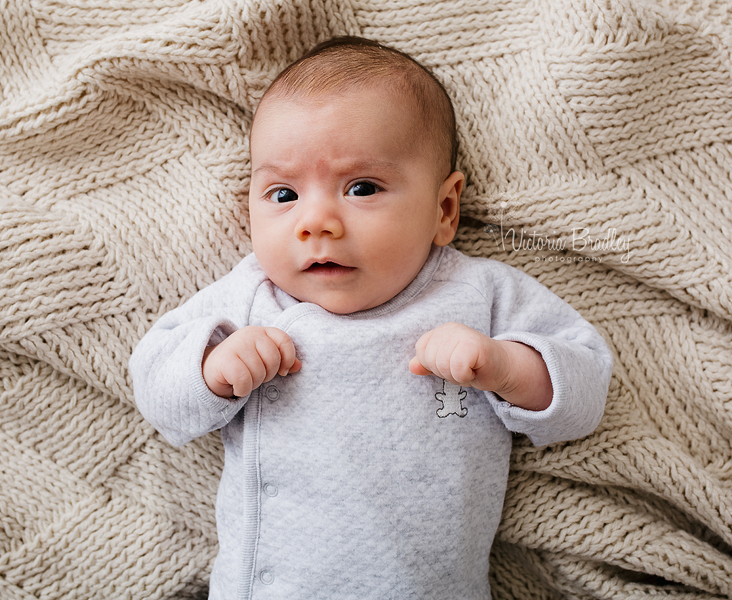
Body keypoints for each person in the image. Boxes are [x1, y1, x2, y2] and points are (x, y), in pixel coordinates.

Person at [130, 36, 612, 600]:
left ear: (444, 209)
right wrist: (212, 370)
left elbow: (585, 392)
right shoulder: (252, 296)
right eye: (283, 194)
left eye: (362, 188)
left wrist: (506, 367)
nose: (316, 222)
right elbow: (157, 392)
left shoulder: (478, 292)